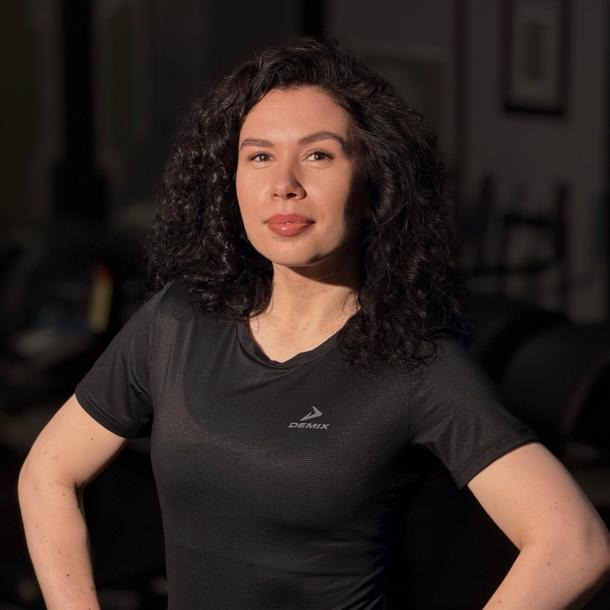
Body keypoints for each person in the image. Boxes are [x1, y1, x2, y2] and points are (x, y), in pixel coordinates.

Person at [18, 37, 610, 610]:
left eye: (318, 155)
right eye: (259, 156)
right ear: (231, 181)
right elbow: (48, 474)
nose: (284, 185)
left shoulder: (415, 366)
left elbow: (574, 545)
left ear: (372, 187)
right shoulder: (177, 321)